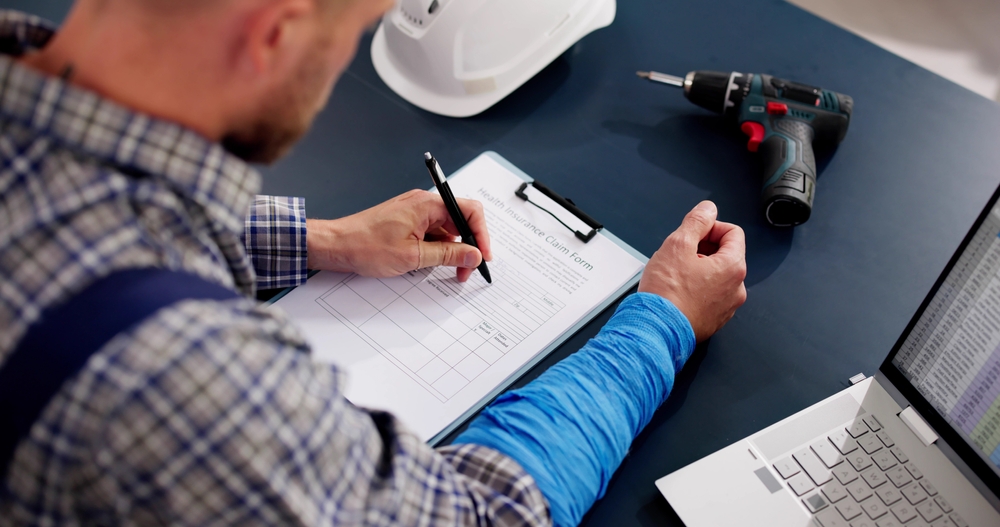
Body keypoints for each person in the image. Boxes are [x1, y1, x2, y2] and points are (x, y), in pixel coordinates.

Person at [0, 1, 747, 525]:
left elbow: (79, 211)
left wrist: (315, 240)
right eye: (356, 29)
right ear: (275, 35)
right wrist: (661, 320)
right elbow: (483, 516)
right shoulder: (187, 374)